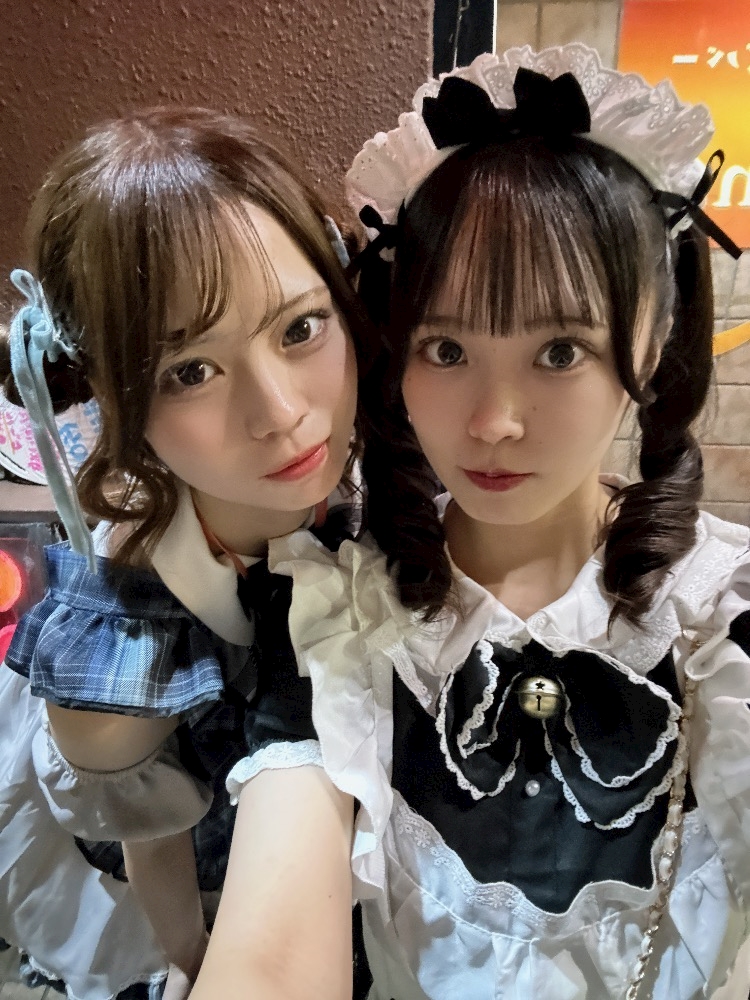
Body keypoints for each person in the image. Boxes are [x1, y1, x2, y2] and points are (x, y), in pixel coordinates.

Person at [191, 44, 750, 1000]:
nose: (493, 422)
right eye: (445, 348)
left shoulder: (722, 613)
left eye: (560, 351)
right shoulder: (340, 607)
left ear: (653, 340)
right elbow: (271, 952)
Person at [0, 106, 366, 1000]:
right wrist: (198, 963)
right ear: (111, 392)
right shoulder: (127, 637)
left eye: (300, 328)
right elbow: (154, 858)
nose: (281, 412)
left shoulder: (391, 471)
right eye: (190, 372)